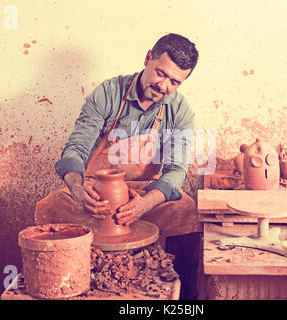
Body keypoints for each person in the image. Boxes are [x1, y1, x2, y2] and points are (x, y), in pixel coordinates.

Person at [35, 33, 201, 299]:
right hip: (95, 193)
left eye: (175, 82)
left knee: (187, 211)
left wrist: (145, 203)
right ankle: (61, 288)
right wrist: (78, 189)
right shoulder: (109, 93)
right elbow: (76, 148)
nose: (164, 86)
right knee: (50, 206)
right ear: (148, 58)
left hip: (145, 194)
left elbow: (176, 170)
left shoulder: (179, 110)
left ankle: (183, 299)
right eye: (161, 73)